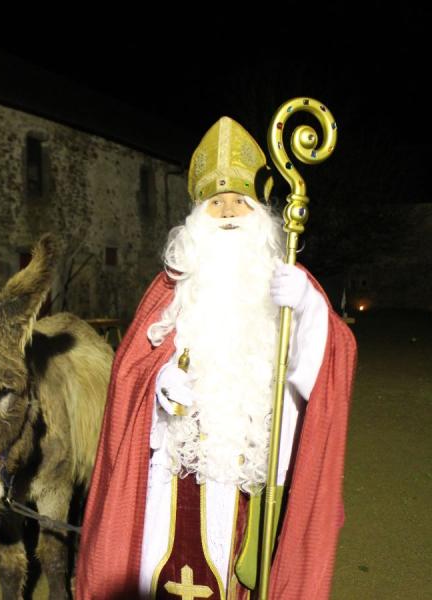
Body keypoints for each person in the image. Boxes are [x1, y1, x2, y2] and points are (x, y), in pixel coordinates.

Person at [76, 117, 357, 600]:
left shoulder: (287, 286)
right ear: (197, 218)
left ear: (259, 215)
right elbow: (130, 376)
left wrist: (312, 309)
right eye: (216, 202)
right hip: (174, 474)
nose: (227, 212)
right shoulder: (173, 287)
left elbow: (332, 367)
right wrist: (160, 384)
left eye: (239, 203)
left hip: (250, 477)